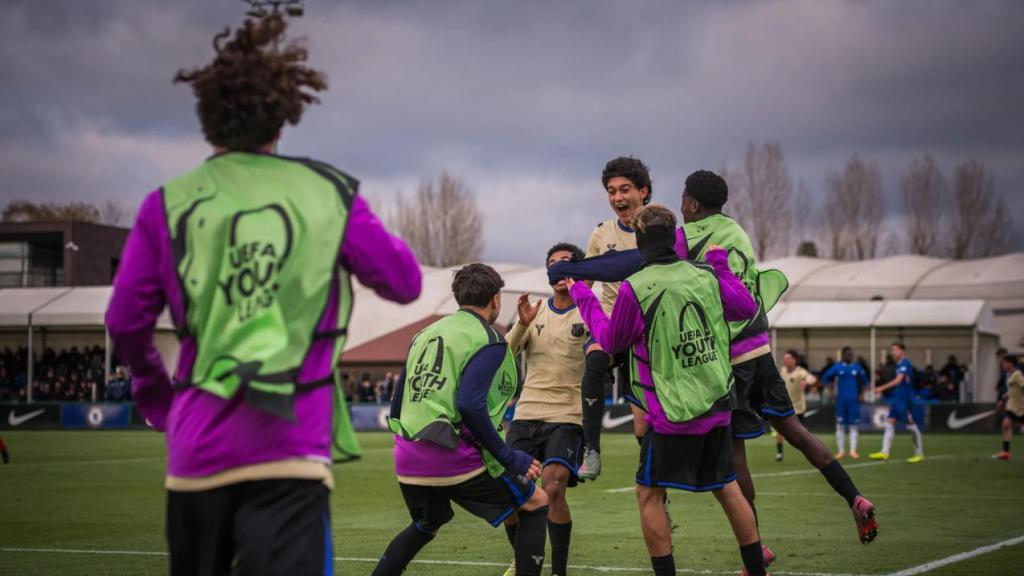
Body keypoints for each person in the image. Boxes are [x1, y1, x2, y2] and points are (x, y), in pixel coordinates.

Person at [105, 15, 422, 576]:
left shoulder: (168, 202)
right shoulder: (326, 191)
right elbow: (404, 282)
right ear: (282, 119)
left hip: (196, 446)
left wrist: (157, 395)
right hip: (290, 450)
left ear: (207, 124)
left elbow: (126, 321)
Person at [550, 170, 878, 549]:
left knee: (733, 460)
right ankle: (854, 497)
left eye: (684, 200)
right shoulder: (736, 231)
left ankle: (758, 548)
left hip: (730, 357)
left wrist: (571, 270)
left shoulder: (691, 234)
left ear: (691, 204)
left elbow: (630, 262)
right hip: (760, 347)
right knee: (797, 433)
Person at [567, 204, 767, 576]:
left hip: (673, 413)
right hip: (718, 403)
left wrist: (583, 296)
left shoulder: (636, 287)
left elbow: (611, 340)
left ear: (640, 242)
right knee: (727, 488)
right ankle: (757, 570)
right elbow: (744, 307)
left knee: (649, 494)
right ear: (675, 237)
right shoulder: (704, 273)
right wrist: (721, 266)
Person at [374, 264, 548, 576]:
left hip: (407, 456)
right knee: (535, 501)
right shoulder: (487, 339)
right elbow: (470, 404)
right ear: (496, 299)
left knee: (426, 523)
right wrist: (510, 457)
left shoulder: (424, 334)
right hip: (452, 456)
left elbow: (398, 399)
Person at [501, 243, 588, 576]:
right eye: (553, 264)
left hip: (567, 415)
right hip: (526, 414)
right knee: (508, 493)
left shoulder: (589, 311)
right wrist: (522, 324)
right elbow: (505, 353)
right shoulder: (534, 312)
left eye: (566, 263)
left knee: (553, 487)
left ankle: (559, 571)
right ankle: (524, 558)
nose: (559, 269)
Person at [578, 156, 654, 480]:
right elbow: (585, 284)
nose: (617, 198)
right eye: (611, 191)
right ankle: (591, 449)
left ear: (643, 191)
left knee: (643, 426)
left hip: (646, 332)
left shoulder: (658, 231)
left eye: (625, 190)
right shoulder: (601, 234)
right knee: (595, 359)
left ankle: (653, 481)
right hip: (610, 324)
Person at [871, 343, 924, 463]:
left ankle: (919, 453)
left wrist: (881, 388)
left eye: (896, 350)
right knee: (890, 422)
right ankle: (884, 452)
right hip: (897, 399)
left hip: (905, 400)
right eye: (893, 350)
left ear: (902, 351)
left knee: (911, 425)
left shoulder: (905, 363)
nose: (893, 352)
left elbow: (898, 380)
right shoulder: (899, 364)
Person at [819, 348, 869, 459]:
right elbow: (825, 378)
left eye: (851, 354)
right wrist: (831, 391)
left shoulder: (857, 367)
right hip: (841, 401)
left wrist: (862, 394)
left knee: (853, 426)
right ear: (842, 356)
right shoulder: (837, 367)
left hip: (854, 401)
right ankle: (841, 451)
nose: (849, 356)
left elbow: (865, 381)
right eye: (847, 355)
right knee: (840, 426)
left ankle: (853, 451)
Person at [775, 350, 818, 462]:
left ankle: (811, 451)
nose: (786, 360)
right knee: (779, 431)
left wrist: (806, 382)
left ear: (794, 360)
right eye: (785, 358)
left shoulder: (800, 372)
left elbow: (812, 378)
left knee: (803, 433)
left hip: (798, 408)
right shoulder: (783, 371)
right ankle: (779, 453)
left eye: (788, 358)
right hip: (784, 406)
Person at [993, 354, 1024, 461]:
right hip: (1011, 406)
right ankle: (1006, 453)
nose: (1003, 364)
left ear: (1011, 363)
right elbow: (1011, 390)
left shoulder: (1017, 375)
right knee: (1005, 425)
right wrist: (1003, 398)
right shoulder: (1008, 375)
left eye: (1004, 362)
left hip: (1021, 407)